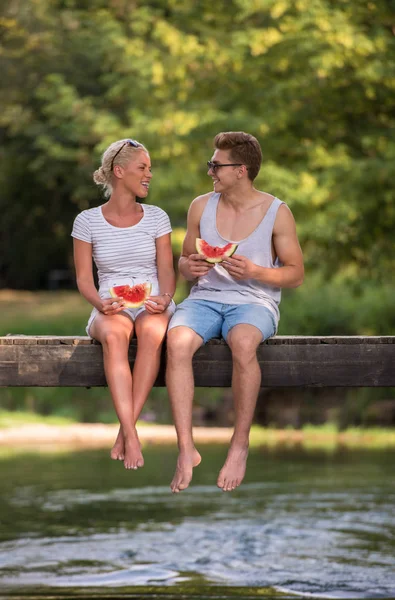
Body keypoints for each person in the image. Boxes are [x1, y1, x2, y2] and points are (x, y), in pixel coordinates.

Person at [166, 131, 304, 493]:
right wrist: (189, 267)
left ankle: (239, 445)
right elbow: (183, 260)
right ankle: (185, 448)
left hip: (255, 302)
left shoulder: (277, 212)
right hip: (205, 299)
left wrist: (256, 272)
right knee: (176, 340)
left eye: (216, 165)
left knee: (243, 342)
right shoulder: (200, 206)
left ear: (241, 170)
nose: (210, 170)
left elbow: (296, 273)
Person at [71, 138, 176, 470]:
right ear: (119, 171)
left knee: (152, 332)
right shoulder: (86, 221)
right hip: (109, 304)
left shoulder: (157, 217)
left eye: (150, 169)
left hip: (153, 301)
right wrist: (100, 304)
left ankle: (125, 431)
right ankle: (132, 435)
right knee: (116, 336)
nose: (149, 175)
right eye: (142, 168)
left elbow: (167, 271)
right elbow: (85, 280)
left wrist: (165, 298)